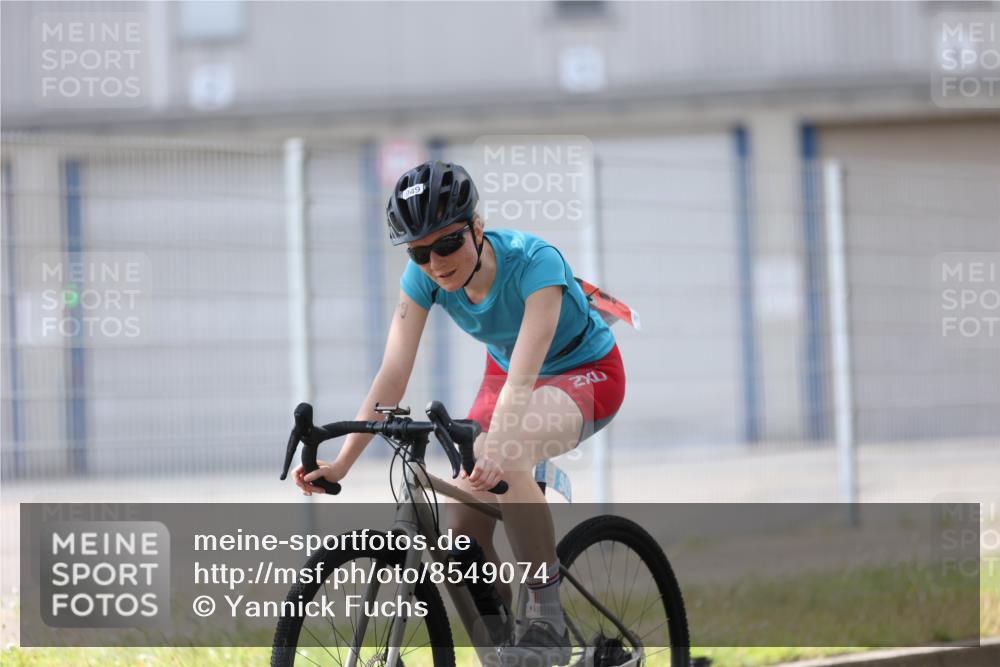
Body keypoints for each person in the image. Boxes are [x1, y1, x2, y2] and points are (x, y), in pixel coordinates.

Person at [293, 160, 626, 665]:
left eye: (448, 243)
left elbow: (523, 376)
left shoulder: (536, 263)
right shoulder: (423, 276)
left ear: (477, 226)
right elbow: (392, 374)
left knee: (506, 455)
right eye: (420, 252)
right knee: (464, 529)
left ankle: (547, 619)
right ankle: (507, 648)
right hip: (508, 375)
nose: (435, 263)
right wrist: (342, 463)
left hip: (583, 370)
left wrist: (501, 447)